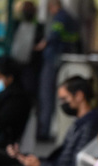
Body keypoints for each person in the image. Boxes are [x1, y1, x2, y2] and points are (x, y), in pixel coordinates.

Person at [35, 0, 79, 141]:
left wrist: (44, 43)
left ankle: (44, 131)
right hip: (59, 59)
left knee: (46, 94)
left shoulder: (60, 17)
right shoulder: (68, 17)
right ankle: (46, 129)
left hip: (54, 59)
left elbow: (54, 35)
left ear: (53, 6)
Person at [10, 1, 45, 100]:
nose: (27, 12)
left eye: (29, 10)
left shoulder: (39, 28)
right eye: (26, 10)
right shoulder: (16, 25)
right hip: (16, 65)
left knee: (28, 92)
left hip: (30, 67)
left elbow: (40, 46)